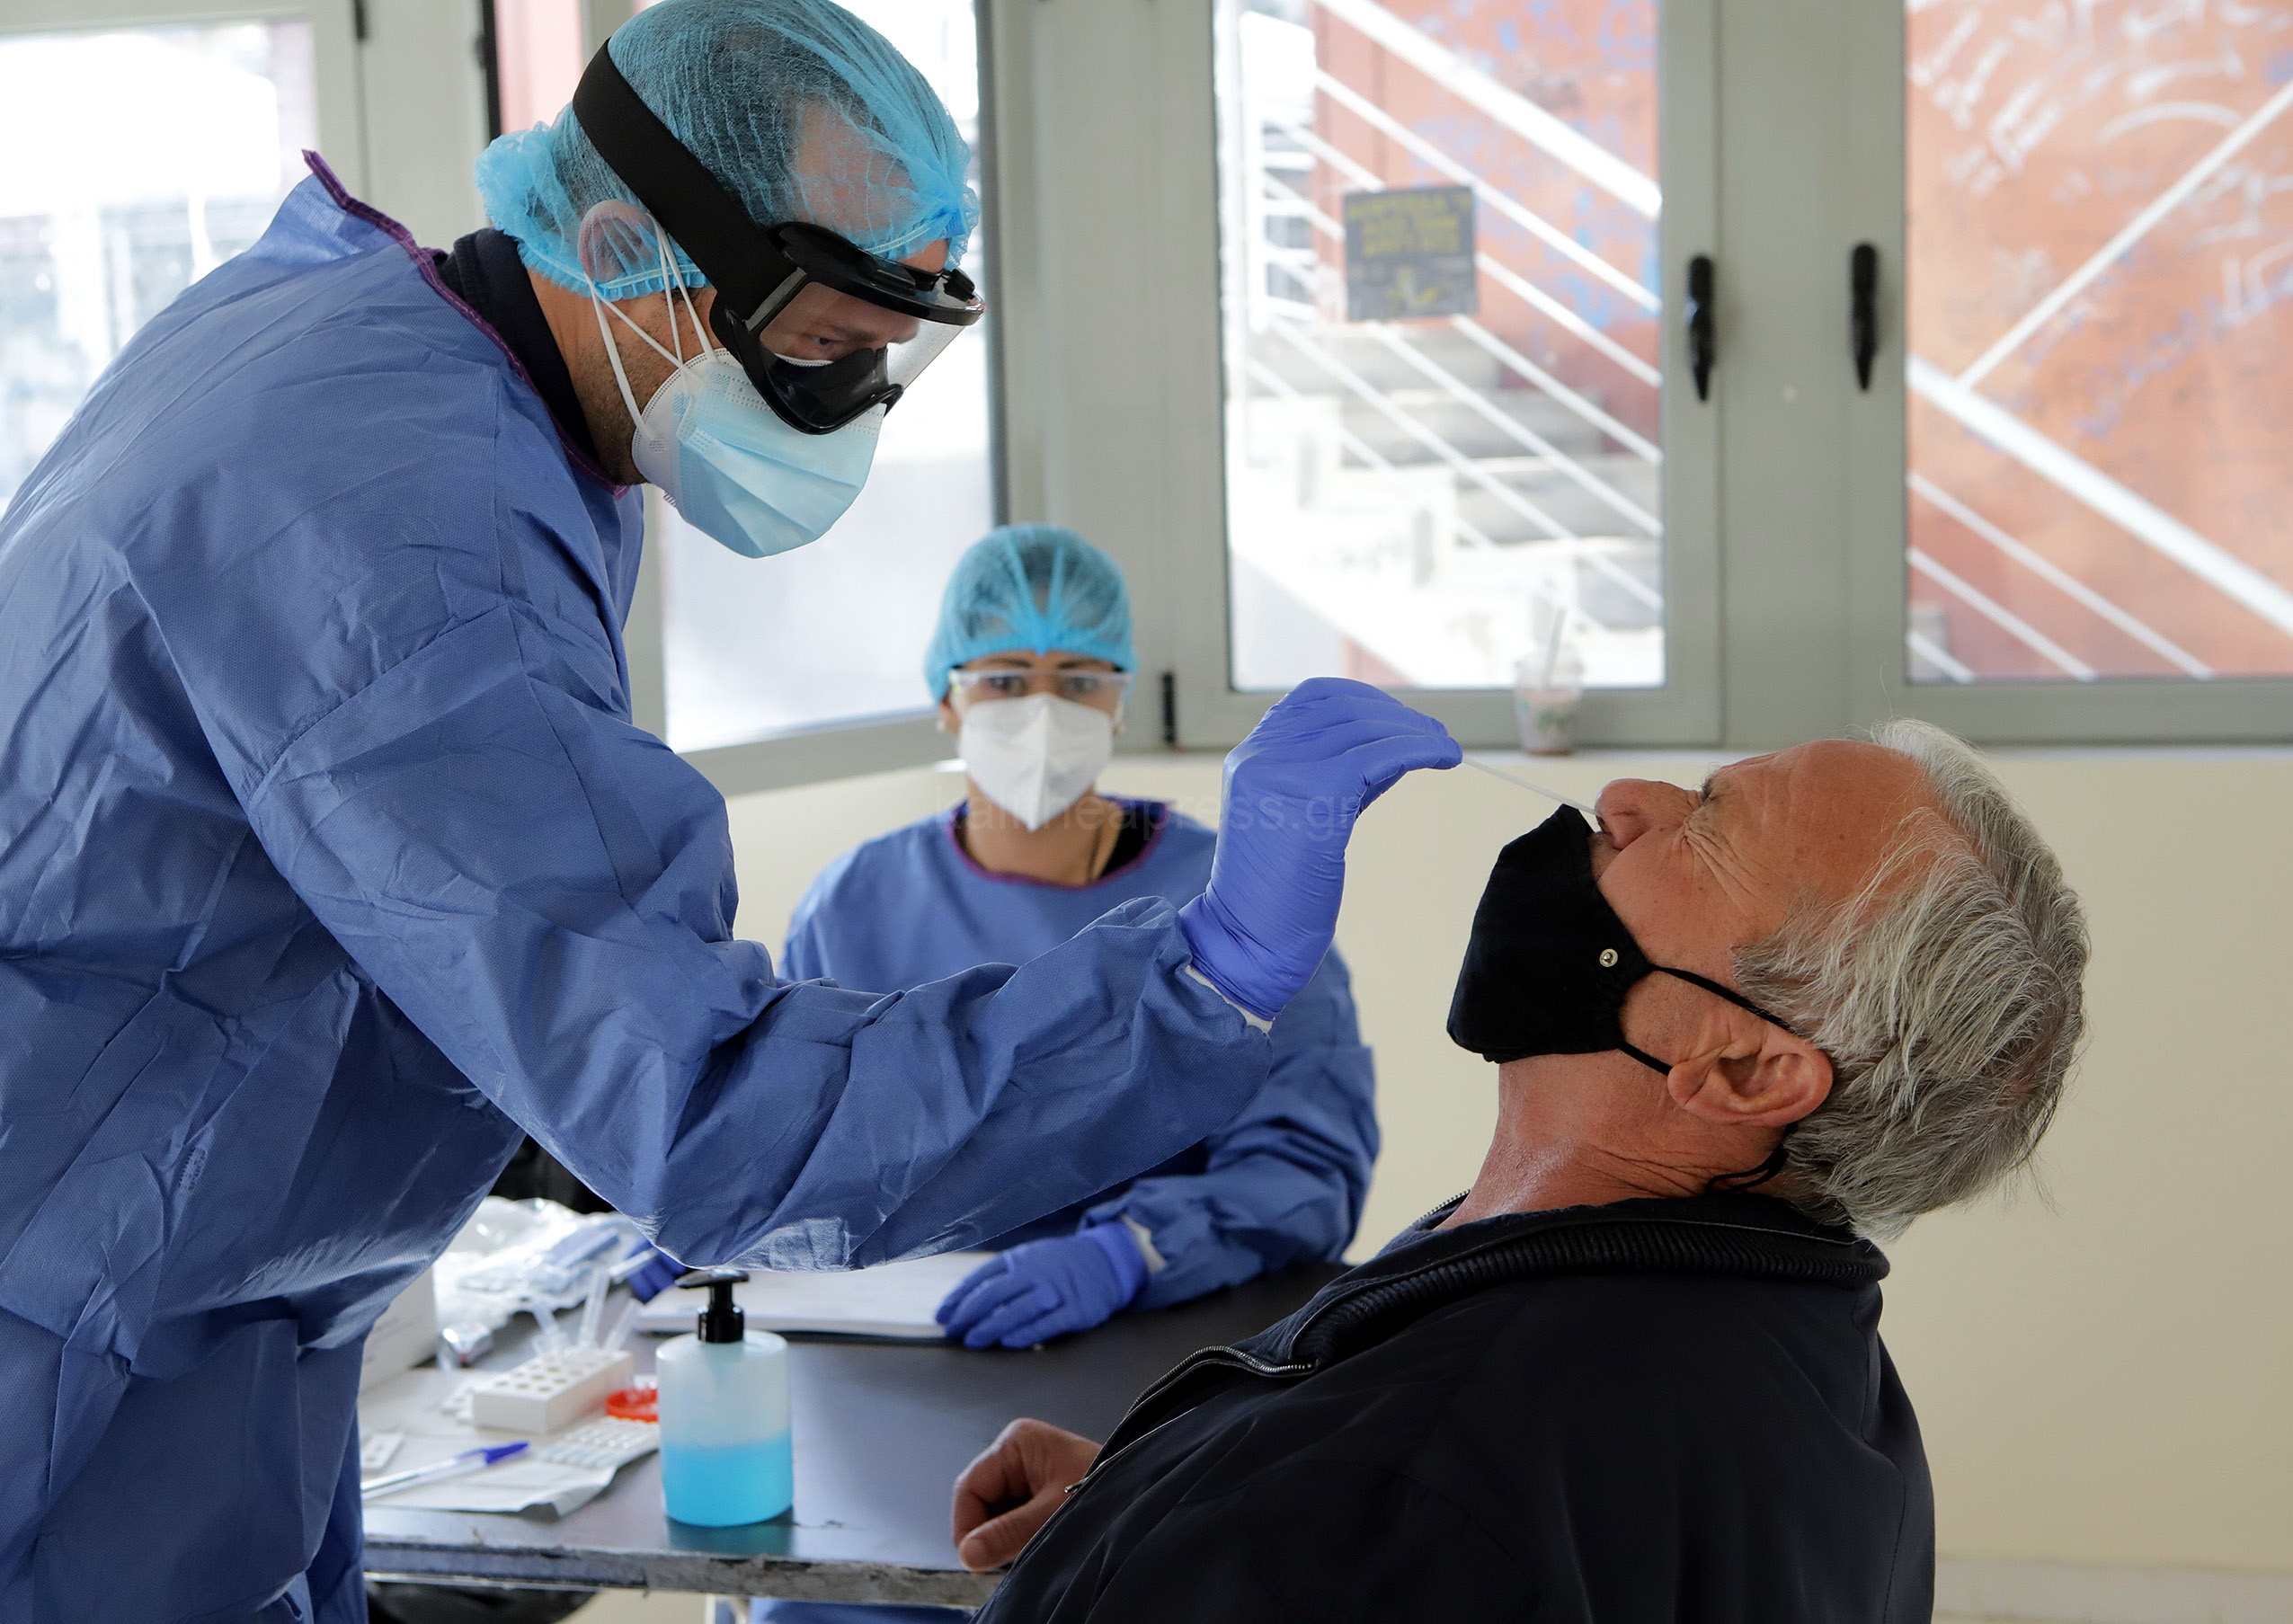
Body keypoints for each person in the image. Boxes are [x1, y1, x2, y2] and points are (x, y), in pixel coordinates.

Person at [0, 3, 1461, 1618]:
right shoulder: (420, 537)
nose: (852, 406)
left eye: (885, 358)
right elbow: (703, 1109)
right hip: (72, 1311)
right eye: (825, 347)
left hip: (163, 1293)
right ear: (621, 244)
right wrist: (1203, 978)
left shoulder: (383, 355)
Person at [947, 722, 2089, 1624]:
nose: (1626, 798)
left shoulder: (1407, 1491)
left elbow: (1406, 1515)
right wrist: (1160, 1501)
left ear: (1742, 1067)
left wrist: (1243, 1536)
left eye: (1709, 826)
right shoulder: (1827, 1376)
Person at [784, 526, 1380, 1348]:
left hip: (1166, 1329)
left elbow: (1306, 1166)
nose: (1041, 710)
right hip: (907, 1331)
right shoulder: (852, 905)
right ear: (946, 700)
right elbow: (792, 1137)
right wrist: (715, 1229)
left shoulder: (1236, 897)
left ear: (1118, 700)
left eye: (1078, 679)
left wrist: (1132, 1250)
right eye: (1002, 678)